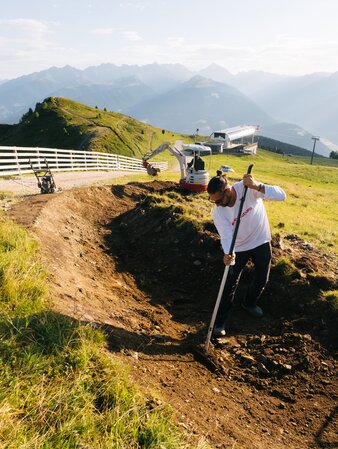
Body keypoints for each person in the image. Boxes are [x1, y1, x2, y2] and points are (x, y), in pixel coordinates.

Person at [207, 170, 286, 338]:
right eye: (214, 202)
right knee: (229, 284)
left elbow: (282, 195)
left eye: (219, 201)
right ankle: (220, 323)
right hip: (239, 247)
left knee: (261, 279)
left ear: (227, 191)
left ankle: (249, 303)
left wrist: (257, 186)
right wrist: (229, 253)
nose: (218, 205)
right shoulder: (219, 213)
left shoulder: (247, 189)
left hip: (261, 241)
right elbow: (226, 235)